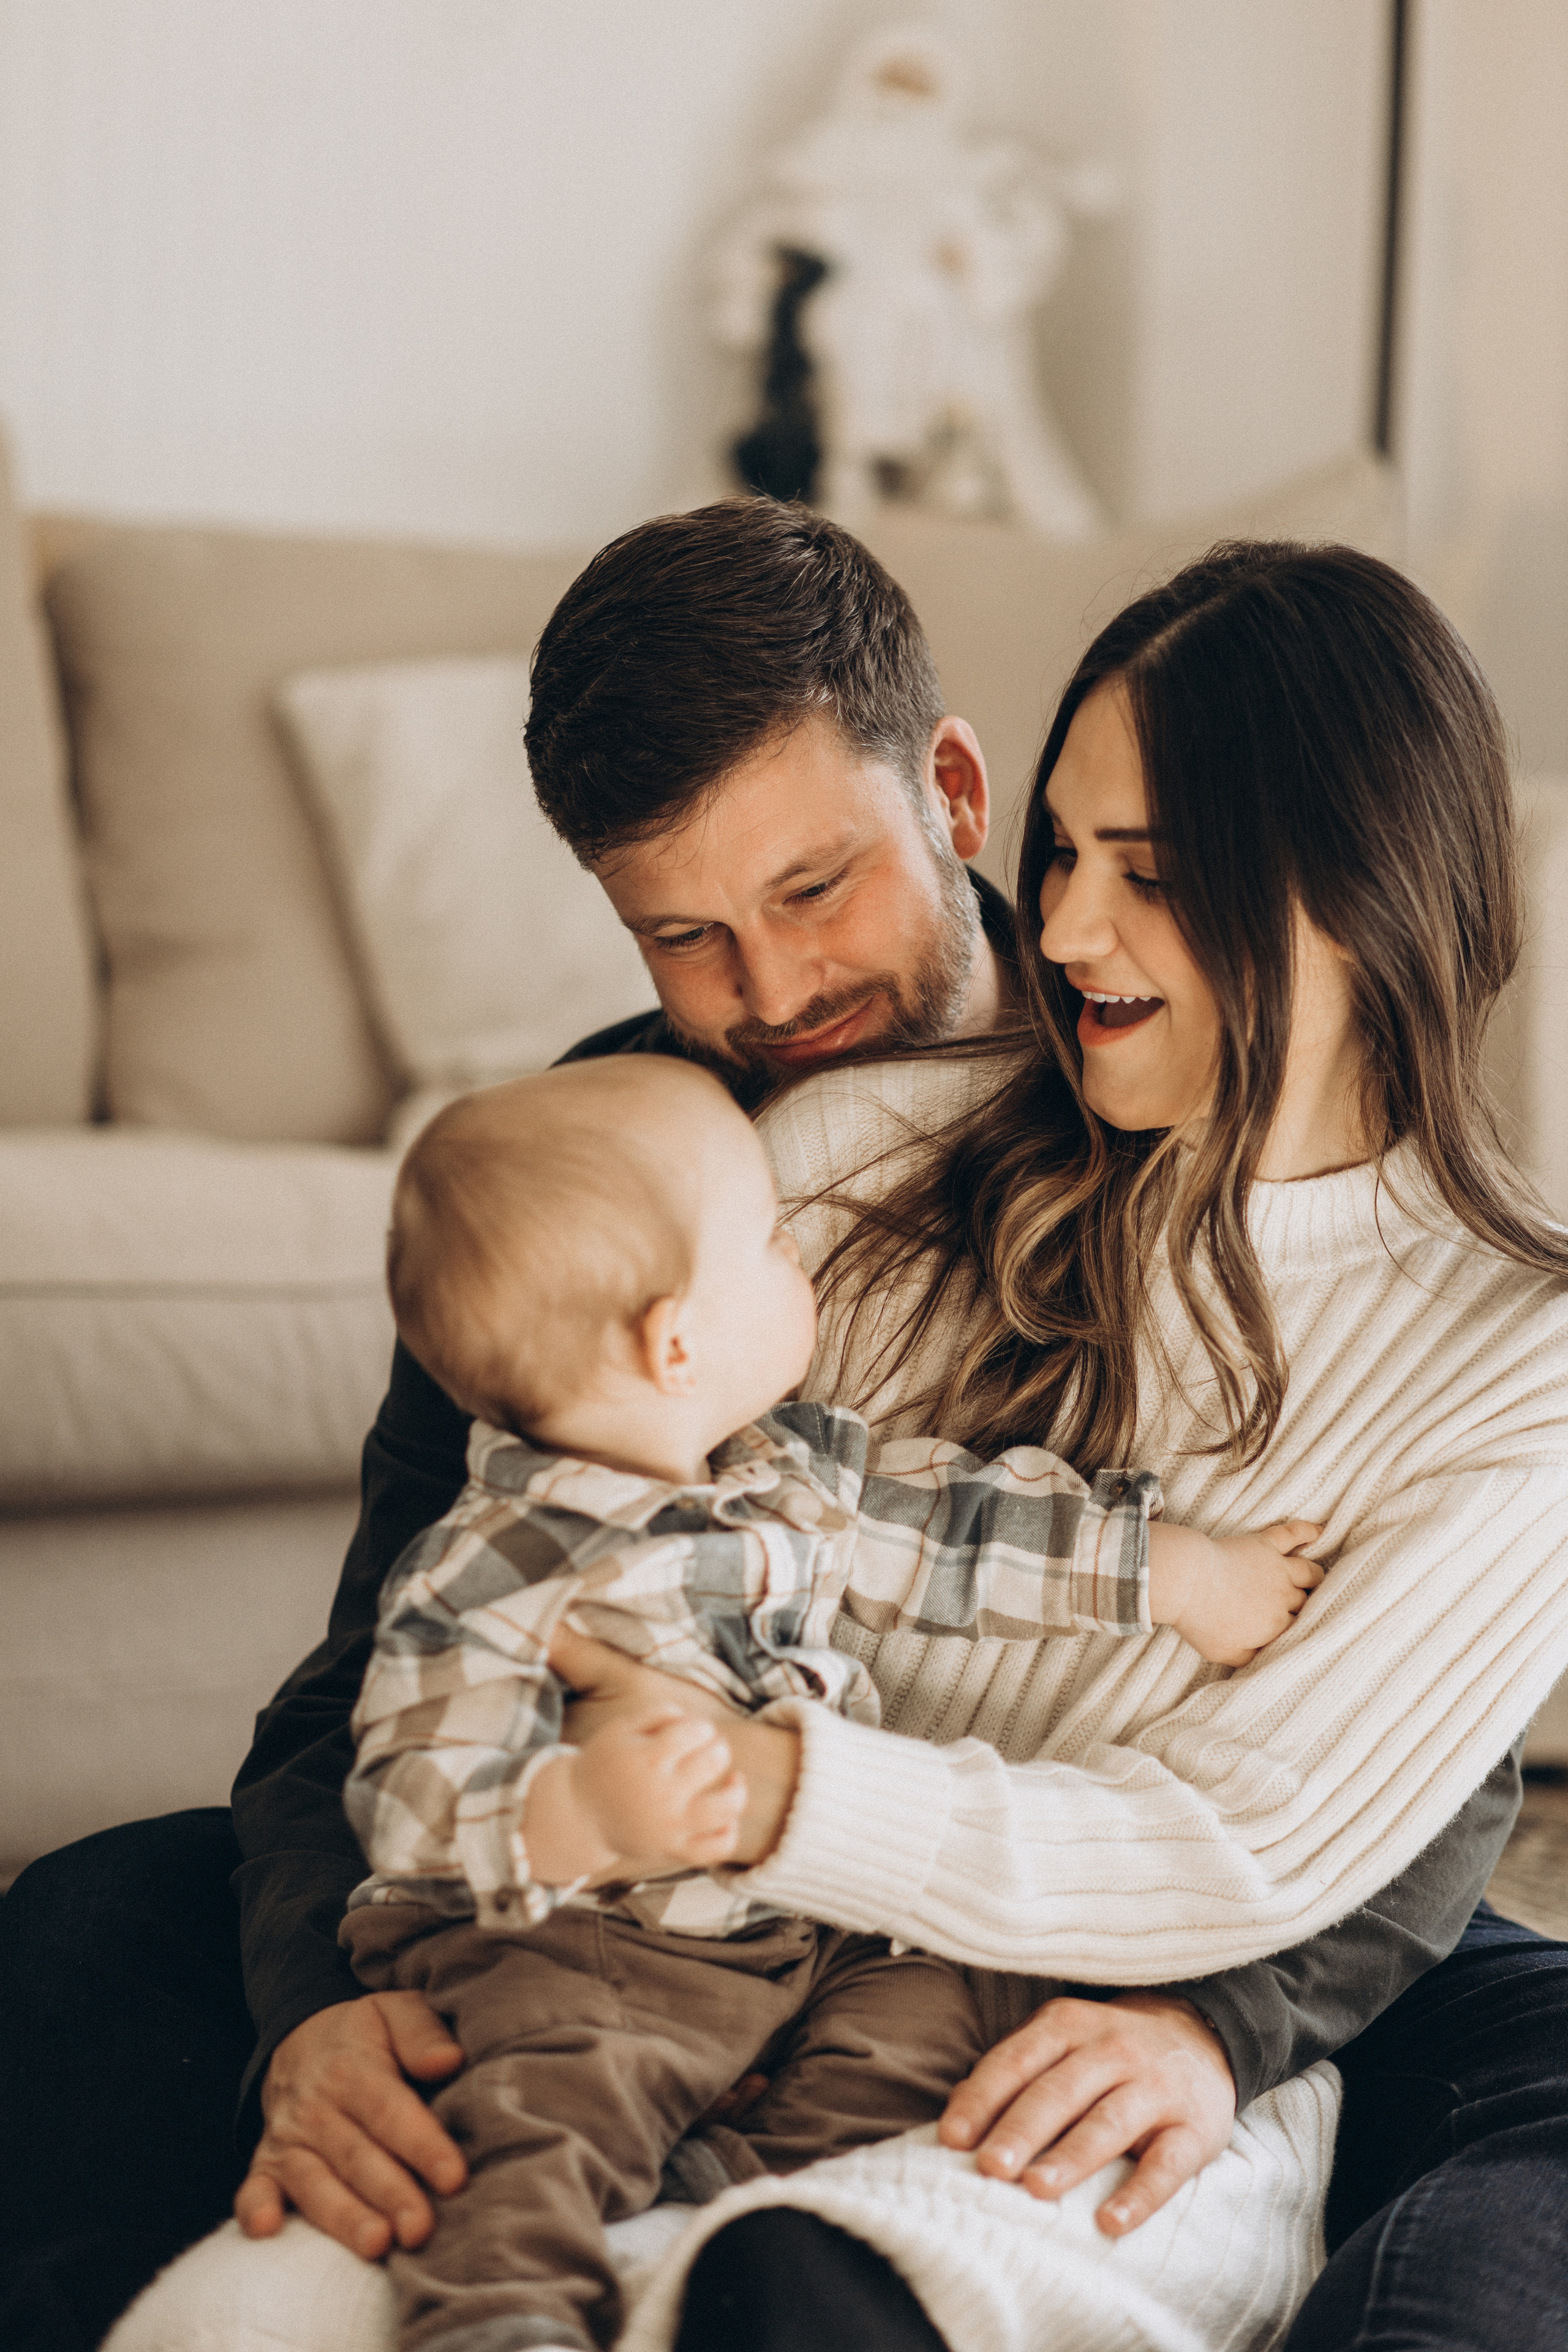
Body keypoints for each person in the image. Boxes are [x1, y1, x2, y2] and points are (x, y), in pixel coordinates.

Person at [0, 502, 1550, 2352]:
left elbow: (1404, 1736)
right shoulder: (611, 1174)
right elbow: (396, 1654)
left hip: (1144, 1890)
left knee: (1521, 2060)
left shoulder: (1335, 1218)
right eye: (685, 935)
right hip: (653, 1875)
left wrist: (1230, 2019)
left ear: (953, 793)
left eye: (816, 893)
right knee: (101, 1931)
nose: (774, 995)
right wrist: (323, 2003)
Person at [339, 1057, 1316, 2352]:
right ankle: (496, 2324)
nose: (797, 1250)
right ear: (671, 1338)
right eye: (767, 1240)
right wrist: (573, 1811)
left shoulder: (785, 1474)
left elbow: (965, 1539)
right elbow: (406, 1787)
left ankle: (735, 2222)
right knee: (540, 2133)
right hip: (584, 1948)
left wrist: (1180, 1575)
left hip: (805, 1925)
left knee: (941, 2017)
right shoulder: (497, 1561)